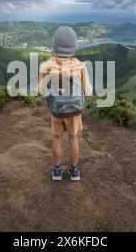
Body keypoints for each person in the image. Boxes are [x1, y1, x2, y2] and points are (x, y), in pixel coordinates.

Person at [38, 26, 92, 181]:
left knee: (57, 140)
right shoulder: (80, 66)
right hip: (74, 111)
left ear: (54, 46)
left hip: (56, 110)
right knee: (73, 139)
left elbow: (41, 90)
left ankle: (57, 171)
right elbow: (88, 91)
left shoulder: (47, 65)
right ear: (74, 47)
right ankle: (74, 171)